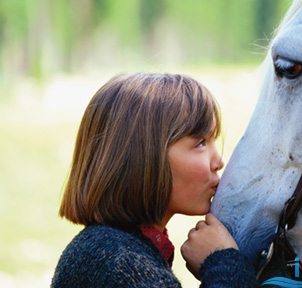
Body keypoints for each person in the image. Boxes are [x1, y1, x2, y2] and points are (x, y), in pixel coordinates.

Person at [51, 73, 256, 287]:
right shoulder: (118, 261)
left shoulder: (109, 249)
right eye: (200, 143)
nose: (219, 162)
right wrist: (224, 262)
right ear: (142, 156)